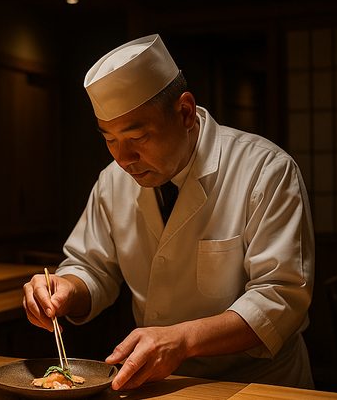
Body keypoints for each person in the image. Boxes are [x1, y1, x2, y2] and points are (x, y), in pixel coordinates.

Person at [22, 34, 315, 390]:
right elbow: (92, 267)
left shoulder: (265, 170)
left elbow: (279, 297)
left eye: (137, 137)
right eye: (110, 139)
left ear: (185, 112)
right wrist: (67, 287)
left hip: (259, 384)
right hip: (162, 385)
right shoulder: (113, 181)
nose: (123, 158)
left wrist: (184, 340)